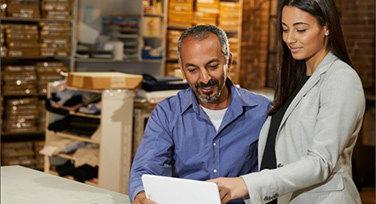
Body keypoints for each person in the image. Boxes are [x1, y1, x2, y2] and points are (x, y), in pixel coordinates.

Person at [209, 0, 365, 203]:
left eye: (300, 30)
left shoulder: (341, 78)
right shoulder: (297, 80)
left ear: (326, 27)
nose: (290, 39)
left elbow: (320, 162)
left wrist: (247, 183)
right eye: (285, 29)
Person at [128, 25, 272, 204]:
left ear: (228, 61)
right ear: (181, 68)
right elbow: (146, 169)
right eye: (193, 70)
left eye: (212, 66)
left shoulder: (263, 111)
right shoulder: (167, 113)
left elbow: (277, 174)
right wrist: (141, 194)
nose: (204, 79)